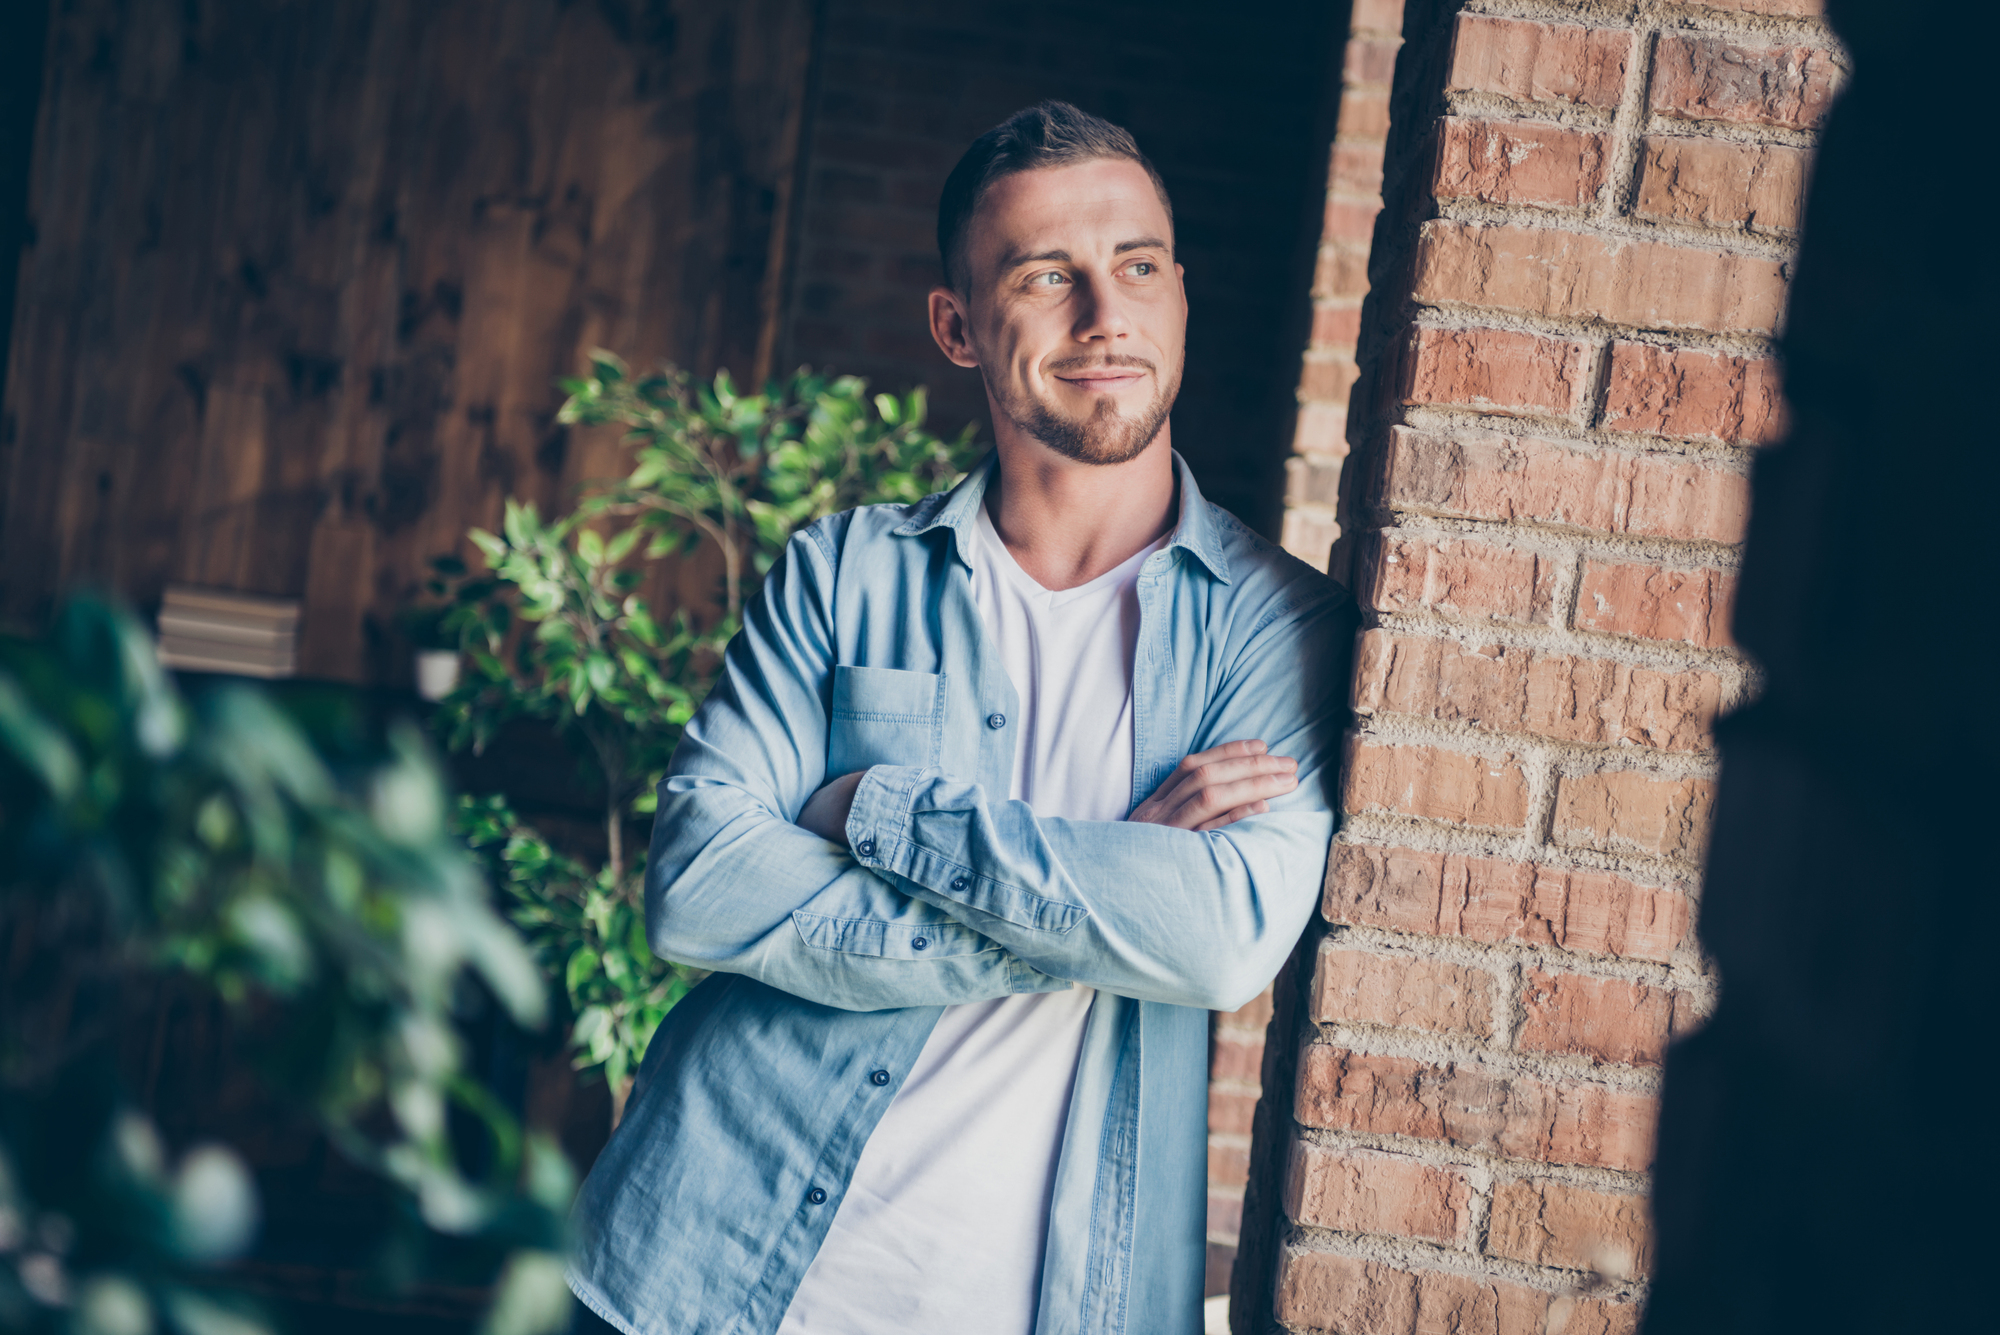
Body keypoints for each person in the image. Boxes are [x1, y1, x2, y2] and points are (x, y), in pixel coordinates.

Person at [565, 101, 1354, 1335]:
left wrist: (874, 812)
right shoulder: (841, 575)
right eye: (1046, 276)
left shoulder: (1276, 628)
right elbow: (701, 885)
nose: (1105, 316)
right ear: (956, 328)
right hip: (694, 1277)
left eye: (1136, 266)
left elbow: (1213, 941)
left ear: (1180, 296)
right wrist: (1098, 889)